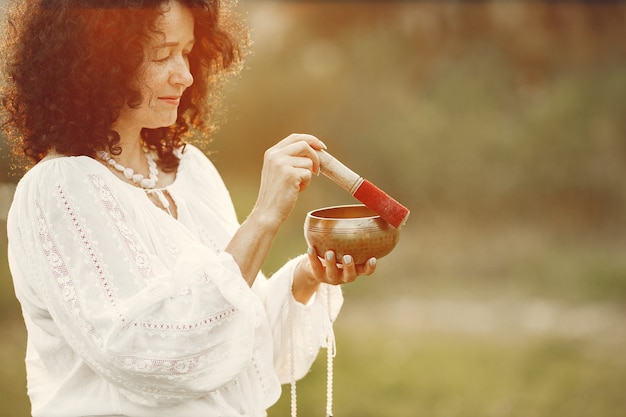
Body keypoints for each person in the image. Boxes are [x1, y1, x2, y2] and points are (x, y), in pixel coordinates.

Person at [0, 0, 378, 416]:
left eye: (187, 51)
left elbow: (237, 342)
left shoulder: (189, 169)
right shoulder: (59, 190)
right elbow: (158, 356)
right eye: (162, 55)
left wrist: (306, 278)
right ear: (96, 62)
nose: (185, 75)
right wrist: (264, 218)